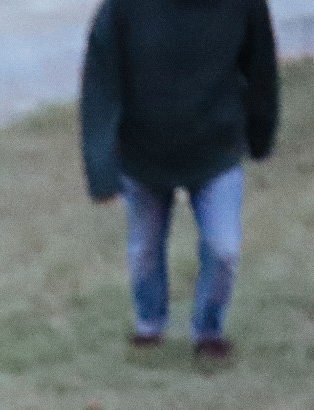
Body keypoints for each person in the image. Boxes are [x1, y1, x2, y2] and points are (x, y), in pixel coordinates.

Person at [80, 0, 279, 360]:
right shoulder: (123, 9)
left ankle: (208, 330)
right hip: (144, 151)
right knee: (144, 249)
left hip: (216, 147)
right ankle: (149, 325)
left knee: (224, 249)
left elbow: (261, 66)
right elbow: (100, 83)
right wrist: (100, 166)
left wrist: (261, 133)